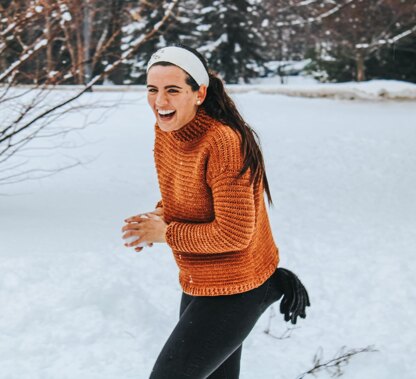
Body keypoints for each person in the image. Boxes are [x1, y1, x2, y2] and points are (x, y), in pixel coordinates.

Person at [121, 45, 310, 379]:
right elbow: (186, 196)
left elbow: (234, 233)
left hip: (238, 286)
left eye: (173, 90)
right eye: (153, 90)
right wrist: (159, 216)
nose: (160, 102)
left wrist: (165, 233)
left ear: (199, 93)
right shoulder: (168, 133)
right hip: (199, 280)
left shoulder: (223, 142)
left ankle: (269, 283)